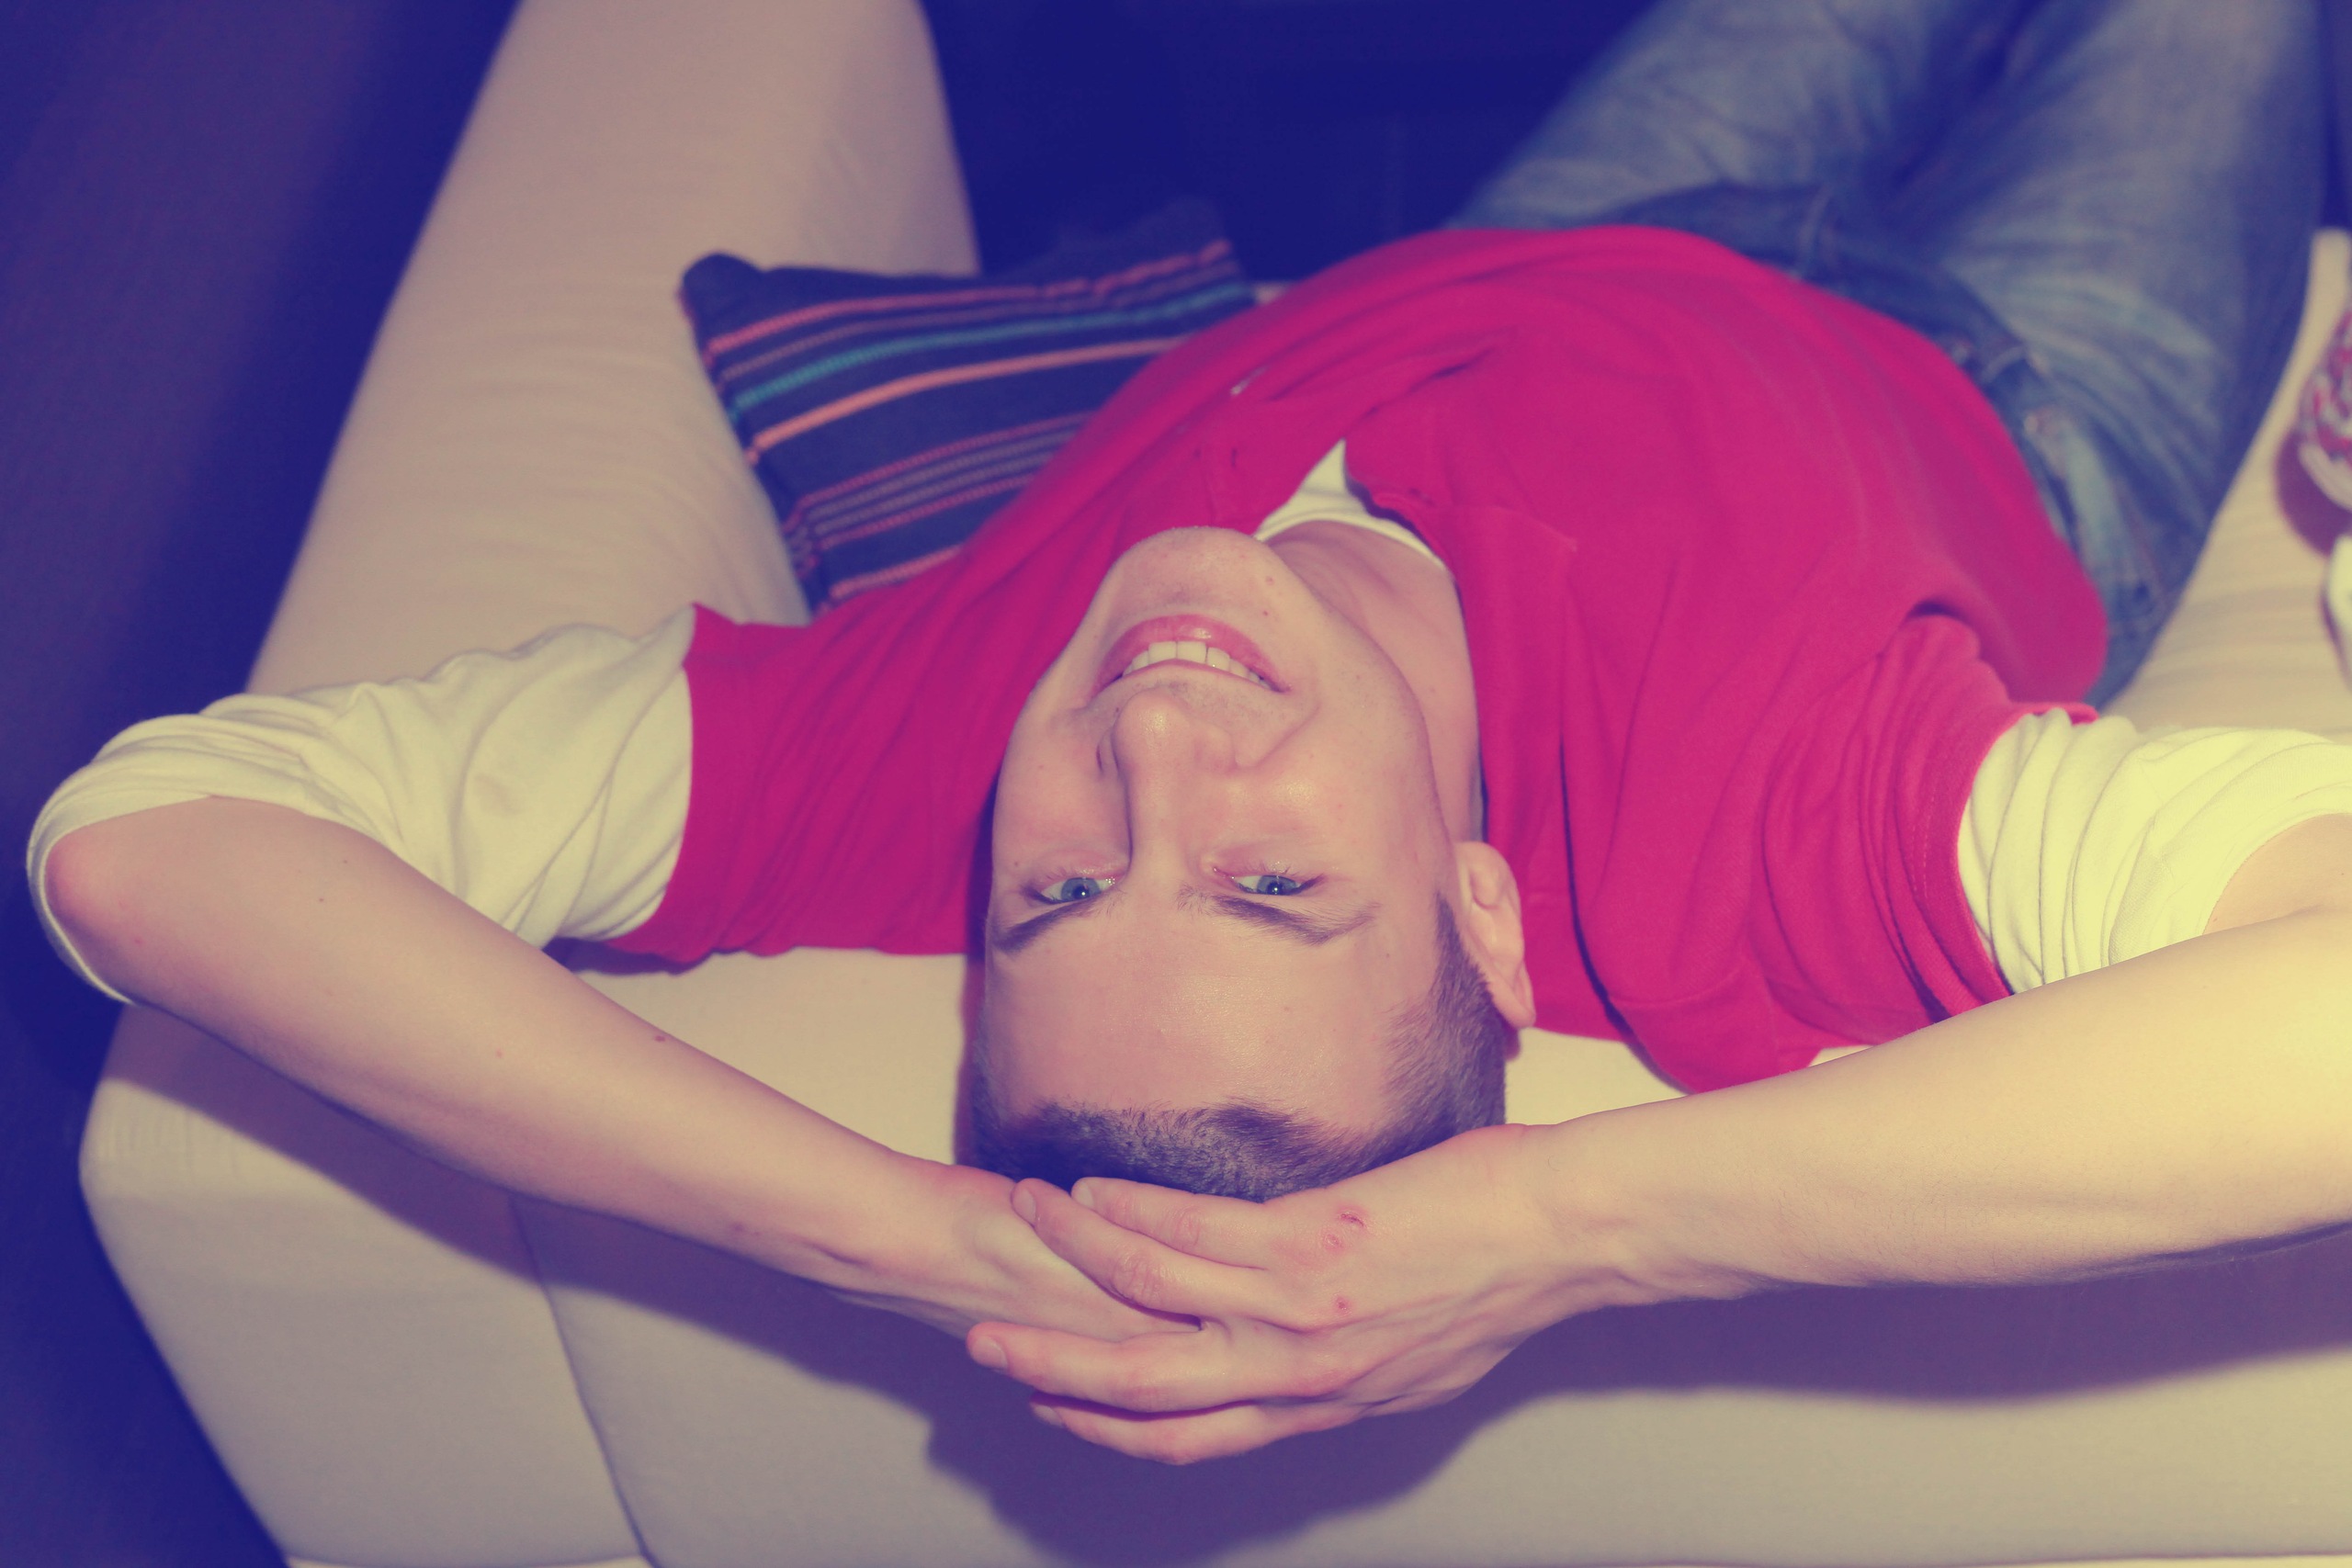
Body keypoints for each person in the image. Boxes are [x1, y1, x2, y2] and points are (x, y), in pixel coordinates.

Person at [28, 0, 2352, 1467]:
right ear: (1480, 913)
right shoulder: (1786, 847)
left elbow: (144, 839)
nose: (1147, 751)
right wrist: (1565, 1224)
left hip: (1529, 246)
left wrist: (906, 1238)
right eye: (1269, 881)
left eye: (1058, 886)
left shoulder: (906, 763)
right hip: (2009, 385)